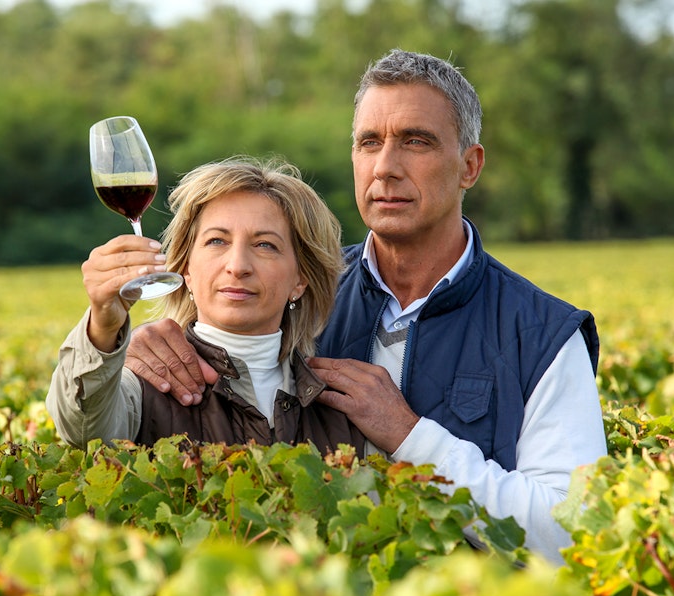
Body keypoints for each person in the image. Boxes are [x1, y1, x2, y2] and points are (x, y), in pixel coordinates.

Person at [122, 49, 607, 565]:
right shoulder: (295, 290)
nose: (385, 167)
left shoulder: (545, 333)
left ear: (470, 166)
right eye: (368, 142)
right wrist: (153, 339)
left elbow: (570, 534)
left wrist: (412, 437)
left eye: (416, 142)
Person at [46, 157, 373, 457]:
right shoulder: (144, 384)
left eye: (265, 245)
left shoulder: (340, 407)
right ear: (186, 268)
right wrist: (103, 326)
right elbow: (82, 426)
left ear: (300, 279)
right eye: (217, 241)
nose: (237, 265)